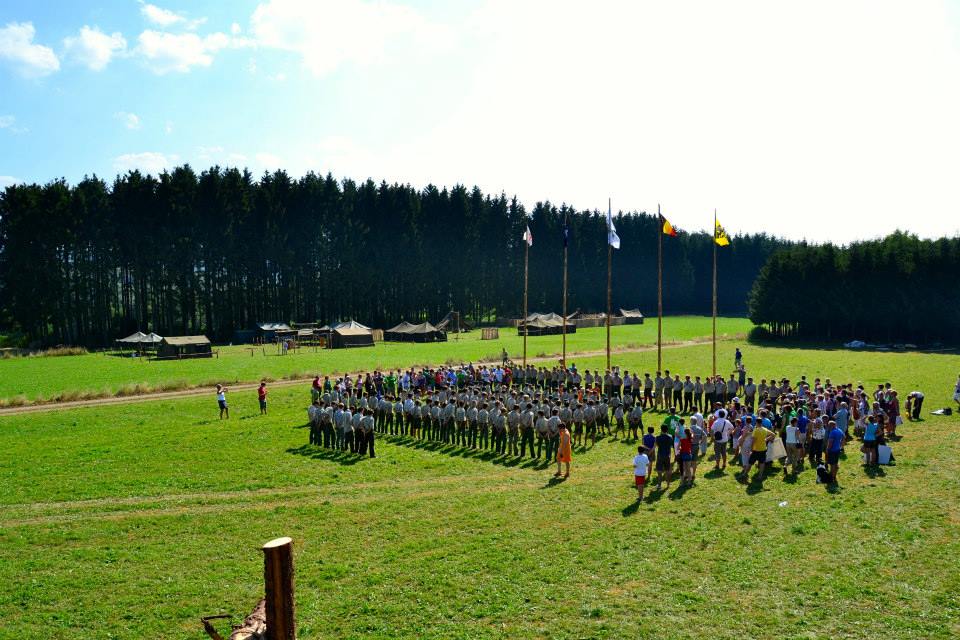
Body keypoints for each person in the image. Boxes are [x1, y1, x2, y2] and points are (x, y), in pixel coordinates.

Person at [739, 413, 774, 481]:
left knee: (750, 463)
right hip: (763, 449)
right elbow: (773, 434)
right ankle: (760, 476)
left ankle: (744, 474)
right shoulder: (765, 429)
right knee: (762, 463)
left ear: (757, 422)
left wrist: (751, 450)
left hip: (756, 450)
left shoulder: (756, 430)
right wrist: (766, 439)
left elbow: (753, 441)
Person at [655, 425, 674, 490]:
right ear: (667, 430)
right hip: (667, 455)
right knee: (667, 470)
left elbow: (657, 445)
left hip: (660, 455)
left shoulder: (657, 437)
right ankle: (668, 484)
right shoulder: (670, 437)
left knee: (659, 471)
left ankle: (659, 485)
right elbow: (671, 445)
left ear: (661, 429)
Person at [826, 419, 844, 483]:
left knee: (832, 465)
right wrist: (841, 446)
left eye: (828, 426)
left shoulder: (832, 432)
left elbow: (830, 442)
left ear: (831, 426)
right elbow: (844, 437)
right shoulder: (839, 430)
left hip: (832, 450)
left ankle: (832, 478)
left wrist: (828, 449)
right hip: (838, 449)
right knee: (836, 464)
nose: (828, 427)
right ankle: (834, 476)